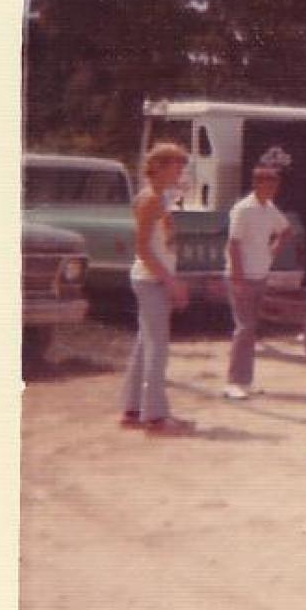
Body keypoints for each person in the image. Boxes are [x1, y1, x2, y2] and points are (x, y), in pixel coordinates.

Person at [119, 141, 194, 434]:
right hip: (151, 279)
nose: (181, 170)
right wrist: (170, 282)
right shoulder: (150, 199)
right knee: (157, 348)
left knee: (145, 344)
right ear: (159, 166)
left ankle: (133, 409)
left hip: (155, 278)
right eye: (176, 165)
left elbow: (163, 245)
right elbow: (142, 248)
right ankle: (156, 416)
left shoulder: (160, 197)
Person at [223, 164, 293, 399]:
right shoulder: (242, 209)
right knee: (244, 328)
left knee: (251, 329)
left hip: (260, 275)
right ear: (256, 184)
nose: (273, 190)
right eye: (268, 185)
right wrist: (238, 279)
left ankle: (246, 381)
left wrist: (272, 250)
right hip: (242, 277)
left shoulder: (270, 208)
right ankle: (233, 382)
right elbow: (233, 244)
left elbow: (286, 231)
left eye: (275, 186)